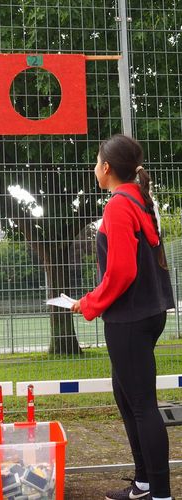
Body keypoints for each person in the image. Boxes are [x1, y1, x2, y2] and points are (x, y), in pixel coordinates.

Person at [70, 134, 175, 500]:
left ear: (108, 168)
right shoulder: (140, 200)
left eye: (97, 161)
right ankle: (145, 483)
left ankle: (160, 493)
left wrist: (89, 303)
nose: (95, 167)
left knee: (142, 405)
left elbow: (121, 272)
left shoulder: (118, 205)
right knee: (127, 398)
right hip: (150, 310)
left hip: (129, 318)